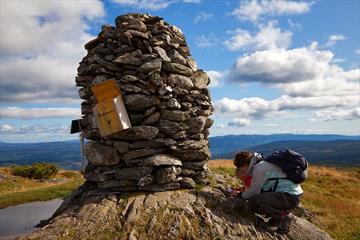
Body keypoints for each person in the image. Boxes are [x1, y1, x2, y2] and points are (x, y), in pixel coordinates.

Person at [230, 151, 303, 234]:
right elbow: (260, 187)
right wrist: (243, 191)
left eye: (240, 167)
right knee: (256, 200)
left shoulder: (259, 168)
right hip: (290, 195)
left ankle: (284, 217)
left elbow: (254, 191)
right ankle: (275, 219)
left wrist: (240, 195)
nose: (241, 170)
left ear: (244, 165)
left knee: (254, 202)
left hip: (289, 196)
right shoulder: (261, 164)